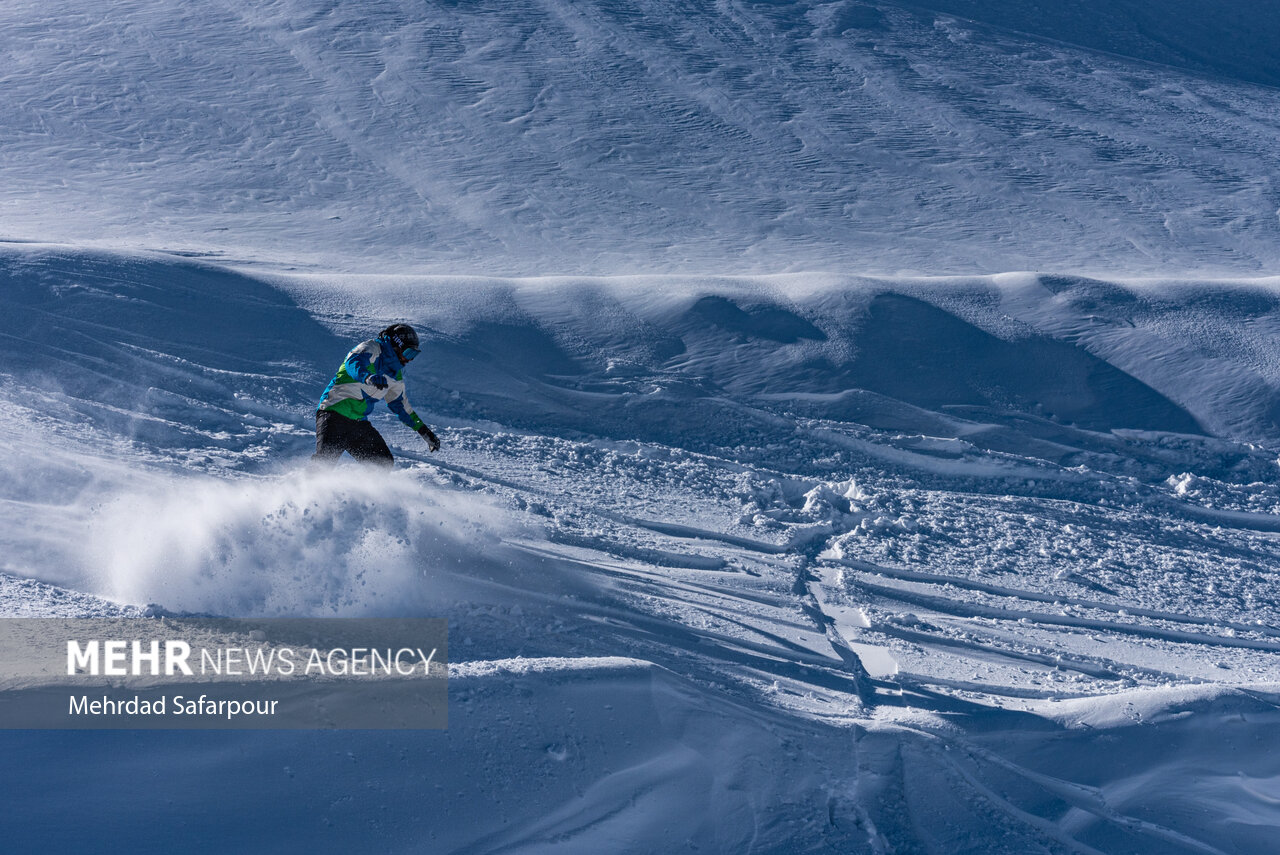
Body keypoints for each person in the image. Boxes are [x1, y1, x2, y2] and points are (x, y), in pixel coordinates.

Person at [312, 323, 440, 466]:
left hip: (357, 422)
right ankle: (303, 486)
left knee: (382, 463)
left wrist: (424, 431)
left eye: (414, 355)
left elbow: (401, 407)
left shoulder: (395, 375)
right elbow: (353, 363)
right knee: (324, 462)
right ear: (396, 345)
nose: (410, 359)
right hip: (333, 412)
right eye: (408, 353)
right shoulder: (371, 348)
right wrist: (368, 377)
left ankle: (358, 488)